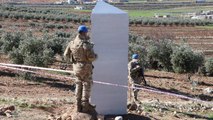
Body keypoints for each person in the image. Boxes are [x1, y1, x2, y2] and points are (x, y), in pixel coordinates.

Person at [64, 25, 97, 113]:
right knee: (87, 84)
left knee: (78, 84)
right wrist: (96, 56)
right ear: (84, 33)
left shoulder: (72, 43)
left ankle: (78, 105)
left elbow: (66, 54)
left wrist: (74, 61)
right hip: (86, 67)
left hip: (76, 67)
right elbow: (91, 57)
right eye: (86, 32)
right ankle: (85, 105)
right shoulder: (85, 44)